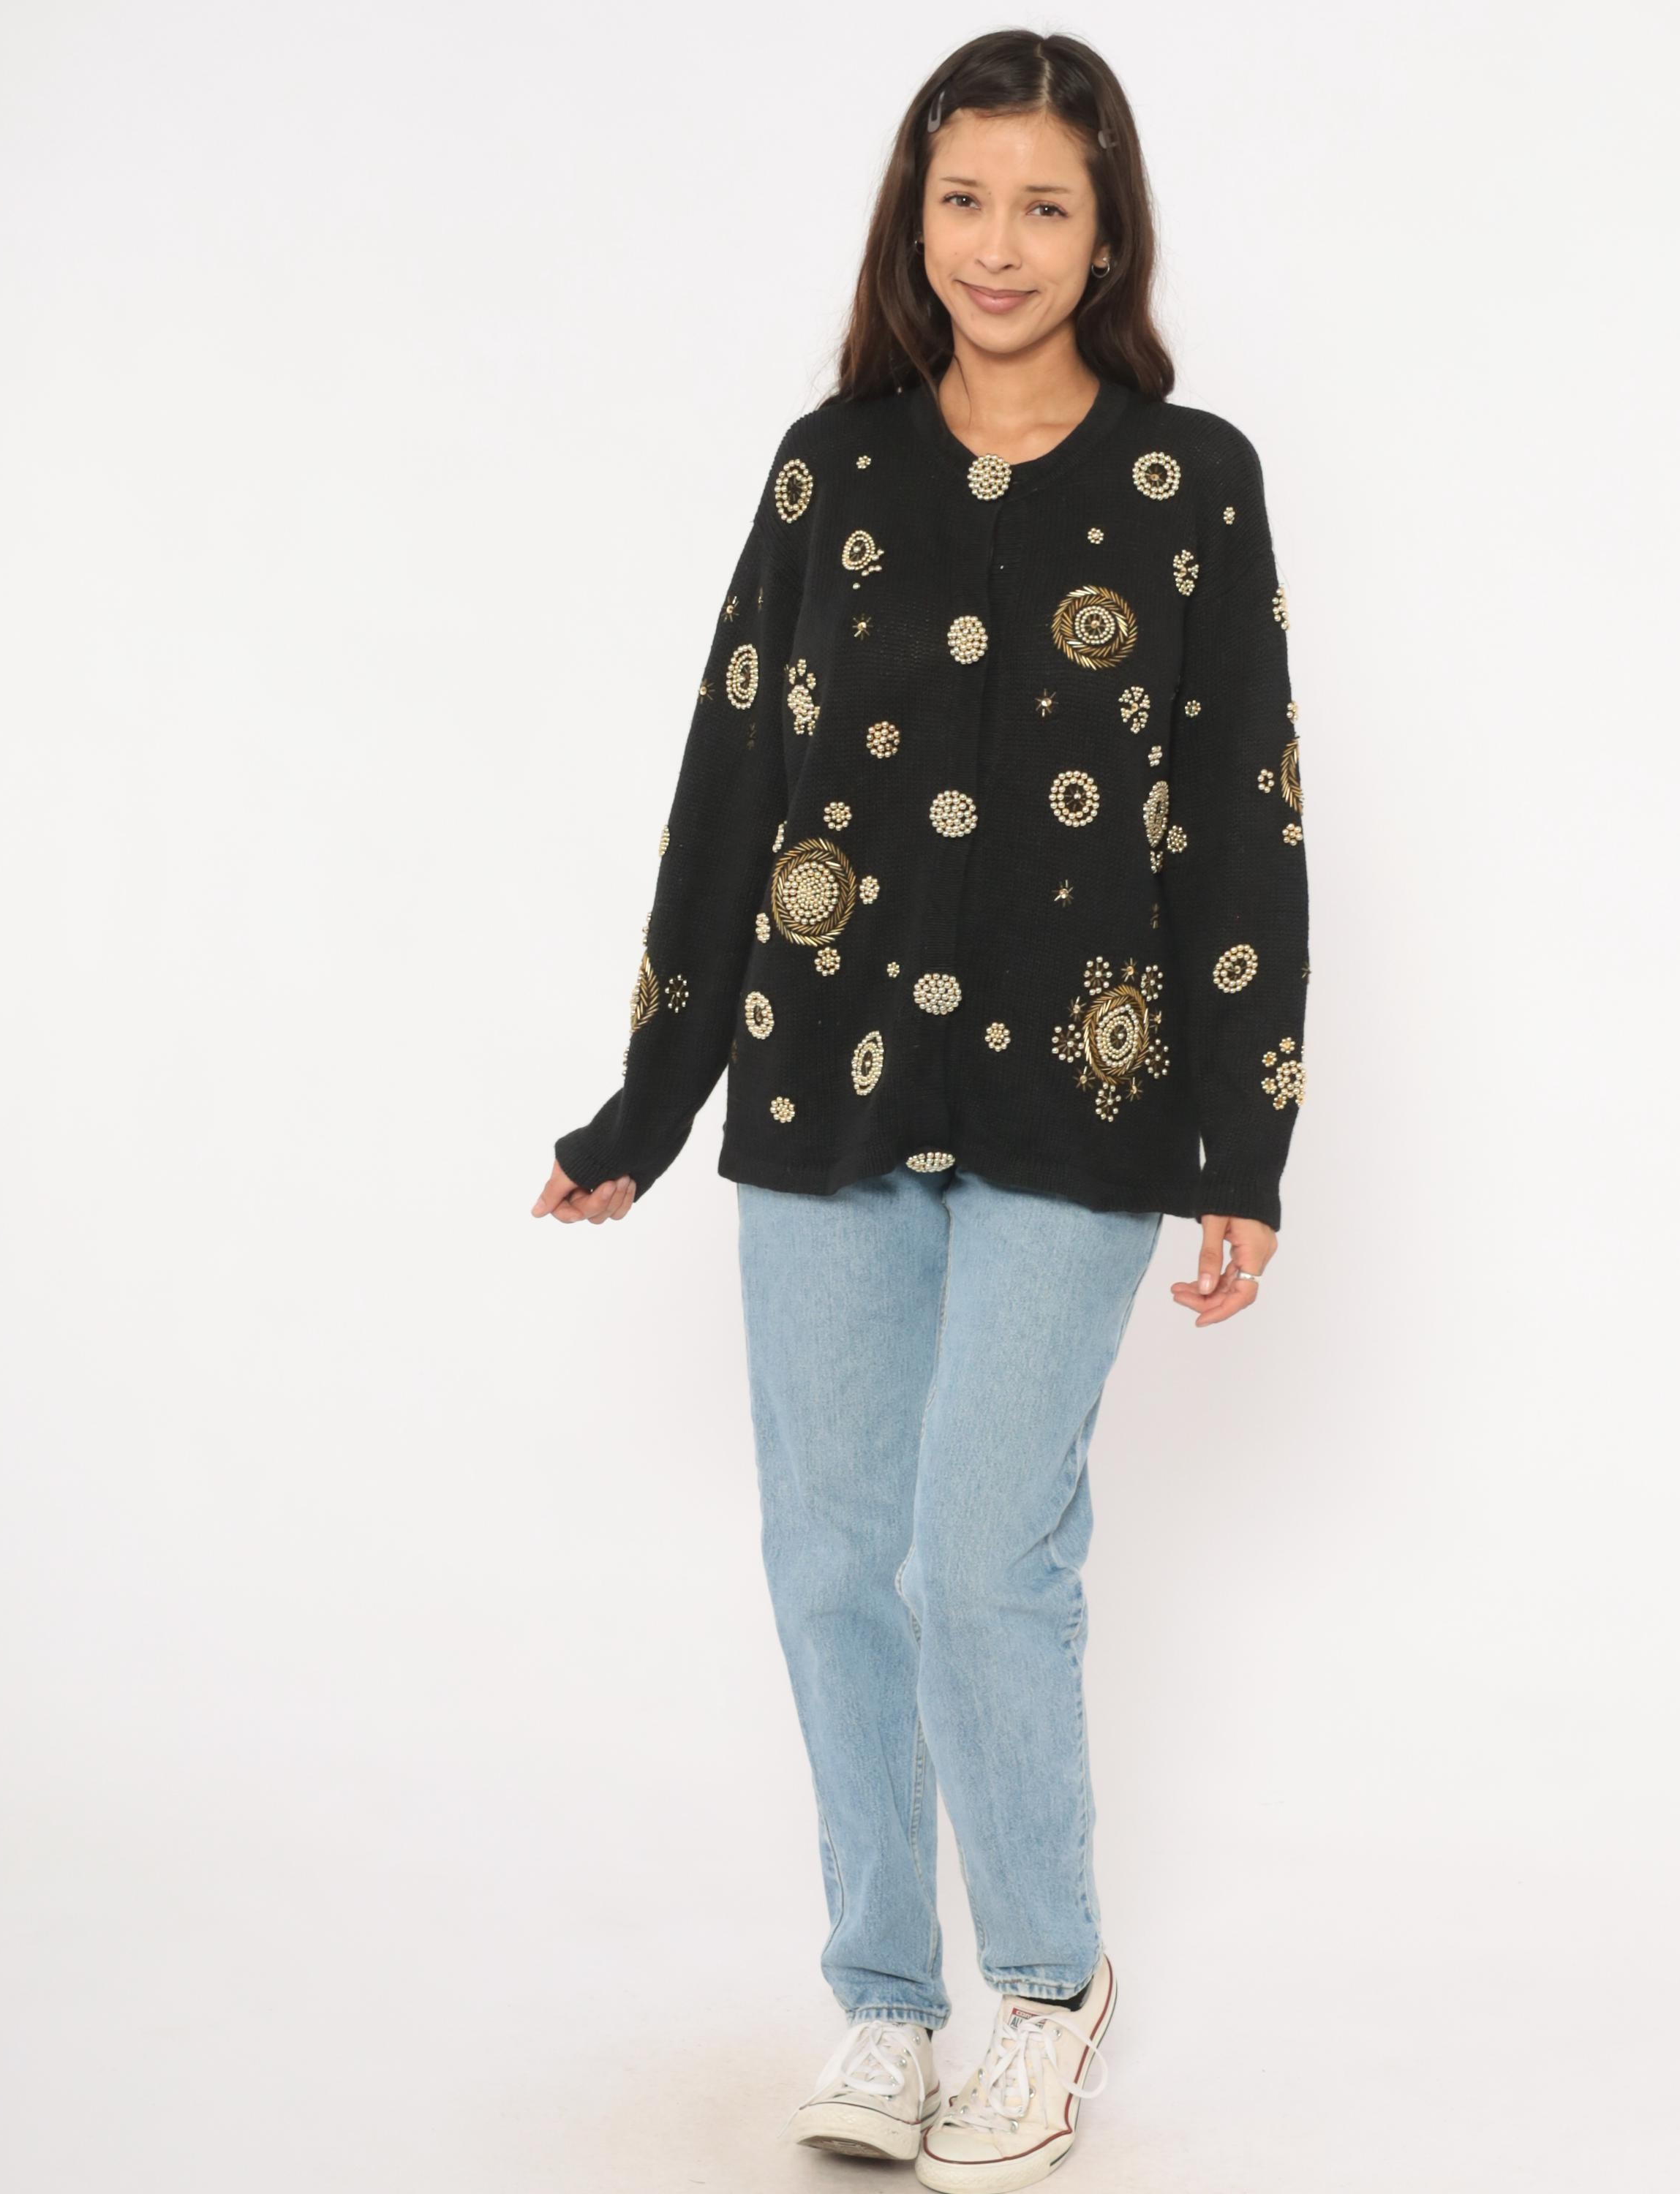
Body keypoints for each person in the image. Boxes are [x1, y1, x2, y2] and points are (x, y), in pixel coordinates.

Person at [530, 29, 1308, 2189]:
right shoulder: (831, 471)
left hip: (1088, 1092)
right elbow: (732, 785)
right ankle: (883, 1999)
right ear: (913, 214)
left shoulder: (1190, 483)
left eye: (1046, 205)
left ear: (1107, 235)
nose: (999, 245)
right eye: (965, 200)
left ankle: (1043, 1989)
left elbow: (1240, 822)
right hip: (824, 1082)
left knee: (981, 1553)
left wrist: (1242, 1148)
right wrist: (647, 1102)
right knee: (832, 1560)